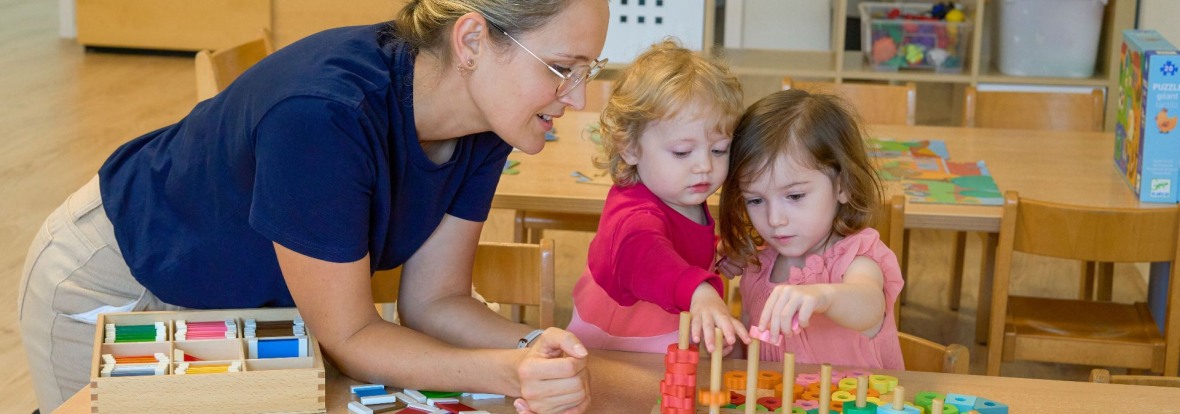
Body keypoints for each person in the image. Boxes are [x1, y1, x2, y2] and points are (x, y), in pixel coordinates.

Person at [17, 1, 608, 412]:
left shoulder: (488, 122)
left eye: (589, 71)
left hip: (239, 301)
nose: (577, 99)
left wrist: (531, 348)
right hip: (117, 278)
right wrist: (503, 371)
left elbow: (436, 301)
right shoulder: (325, 113)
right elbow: (349, 335)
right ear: (473, 40)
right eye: (562, 69)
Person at [565, 40, 749, 355]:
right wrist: (699, 291)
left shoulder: (678, 191)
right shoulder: (633, 217)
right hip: (614, 348)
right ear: (631, 148)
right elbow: (650, 256)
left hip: (658, 335)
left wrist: (715, 251)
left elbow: (677, 243)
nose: (704, 165)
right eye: (682, 152)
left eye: (719, 150)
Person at [717, 89, 904, 368]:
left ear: (842, 186)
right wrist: (729, 346)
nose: (775, 218)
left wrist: (823, 296)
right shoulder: (758, 268)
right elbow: (750, 355)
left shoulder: (857, 259)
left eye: (794, 196)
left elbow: (870, 306)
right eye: (755, 200)